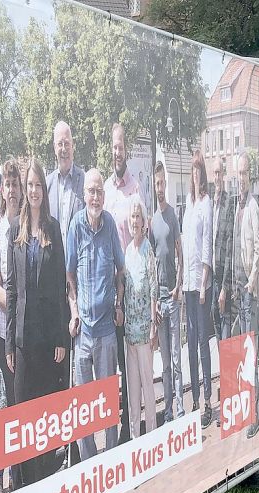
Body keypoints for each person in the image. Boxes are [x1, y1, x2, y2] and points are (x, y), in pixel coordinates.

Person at [6, 158, 70, 485]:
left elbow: (60, 284)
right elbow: (11, 289)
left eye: (38, 186)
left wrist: (61, 336)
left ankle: (46, 479)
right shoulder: (14, 232)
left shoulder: (53, 229)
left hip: (48, 342)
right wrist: (8, 343)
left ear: (44, 190)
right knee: (22, 416)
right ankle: (24, 484)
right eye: (29, 185)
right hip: (22, 342)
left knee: (46, 415)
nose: (33, 191)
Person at [66, 169, 124, 460]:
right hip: (84, 334)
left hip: (106, 332)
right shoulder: (75, 226)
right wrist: (74, 310)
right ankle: (90, 462)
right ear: (84, 194)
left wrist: (119, 305)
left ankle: (110, 458)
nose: (96, 196)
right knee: (83, 404)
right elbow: (69, 274)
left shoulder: (110, 224)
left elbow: (120, 271)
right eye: (91, 191)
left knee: (108, 400)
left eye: (100, 191)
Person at [104, 123, 143, 442]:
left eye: (121, 147)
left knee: (129, 359)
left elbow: (140, 237)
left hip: (129, 290)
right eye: (114, 147)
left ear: (126, 150)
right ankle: (118, 424)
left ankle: (131, 423)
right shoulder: (104, 190)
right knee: (114, 359)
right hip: (109, 291)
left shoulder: (136, 189)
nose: (118, 152)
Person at [0, 159, 22, 493]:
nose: (12, 190)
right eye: (8, 185)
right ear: (3, 190)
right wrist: (15, 306)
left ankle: (22, 474)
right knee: (3, 404)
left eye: (17, 184)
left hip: (26, 333)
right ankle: (1, 478)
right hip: (2, 331)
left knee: (22, 401)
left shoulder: (29, 226)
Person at [148, 162, 184, 423]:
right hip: (159, 302)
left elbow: (180, 254)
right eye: (156, 184)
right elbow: (151, 263)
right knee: (165, 362)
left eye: (162, 183)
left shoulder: (172, 216)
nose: (160, 188)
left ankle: (181, 408)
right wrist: (155, 302)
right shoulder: (151, 221)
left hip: (173, 297)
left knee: (176, 360)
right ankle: (169, 410)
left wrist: (178, 286)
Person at [183, 150, 215, 428]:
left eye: (198, 170)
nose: (195, 175)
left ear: (202, 174)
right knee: (190, 345)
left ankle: (207, 399)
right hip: (187, 287)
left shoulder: (206, 204)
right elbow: (185, 244)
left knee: (204, 343)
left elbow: (206, 246)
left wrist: (204, 283)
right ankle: (193, 399)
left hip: (201, 286)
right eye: (192, 170)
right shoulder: (189, 205)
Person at [123, 199, 158, 438]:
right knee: (133, 390)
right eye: (132, 217)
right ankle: (136, 437)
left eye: (138, 217)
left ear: (144, 223)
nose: (135, 221)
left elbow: (154, 289)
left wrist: (154, 325)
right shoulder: (127, 251)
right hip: (129, 334)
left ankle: (153, 435)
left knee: (148, 387)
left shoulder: (148, 250)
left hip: (145, 331)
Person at [237, 154, 259, 439]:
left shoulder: (254, 205)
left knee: (251, 355)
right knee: (242, 355)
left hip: (248, 291)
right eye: (239, 174)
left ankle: (254, 415)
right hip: (237, 290)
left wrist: (252, 281)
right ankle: (246, 409)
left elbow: (258, 246)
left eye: (244, 173)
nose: (241, 178)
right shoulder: (239, 204)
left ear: (250, 176)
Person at [46, 121, 86, 243]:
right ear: (54, 147)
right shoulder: (47, 184)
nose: (64, 149)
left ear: (73, 146)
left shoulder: (84, 180)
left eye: (67, 144)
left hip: (78, 258)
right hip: (54, 259)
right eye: (60, 144)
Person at [211, 157, 237, 340]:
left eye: (219, 172)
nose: (217, 177)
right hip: (213, 276)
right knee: (215, 319)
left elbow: (229, 247)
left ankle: (227, 367)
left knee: (225, 321)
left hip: (223, 277)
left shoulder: (228, 203)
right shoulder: (212, 203)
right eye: (215, 173)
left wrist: (225, 287)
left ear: (224, 174)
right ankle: (222, 364)